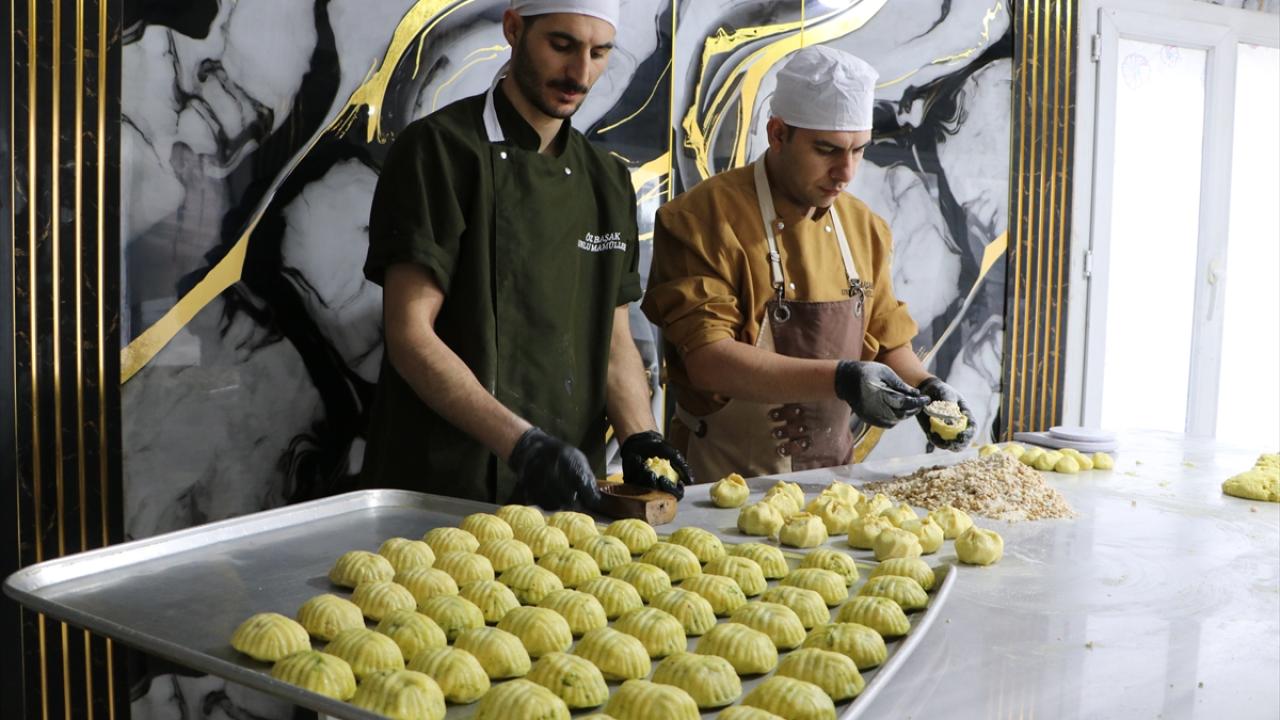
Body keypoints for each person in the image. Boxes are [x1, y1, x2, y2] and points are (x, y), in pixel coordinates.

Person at [360, 0, 691, 510]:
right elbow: (410, 335)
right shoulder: (440, 152)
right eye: (562, 46)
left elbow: (612, 337)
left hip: (566, 488)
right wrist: (523, 444)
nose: (580, 73)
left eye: (599, 53)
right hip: (445, 482)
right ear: (514, 29)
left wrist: (639, 437)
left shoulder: (606, 180)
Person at [641, 45, 976, 483]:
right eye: (827, 150)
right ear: (777, 134)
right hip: (722, 484)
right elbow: (709, 360)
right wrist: (842, 380)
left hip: (832, 485)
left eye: (858, 150)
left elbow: (886, 337)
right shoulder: (702, 218)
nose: (847, 171)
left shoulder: (864, 227)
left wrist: (927, 387)